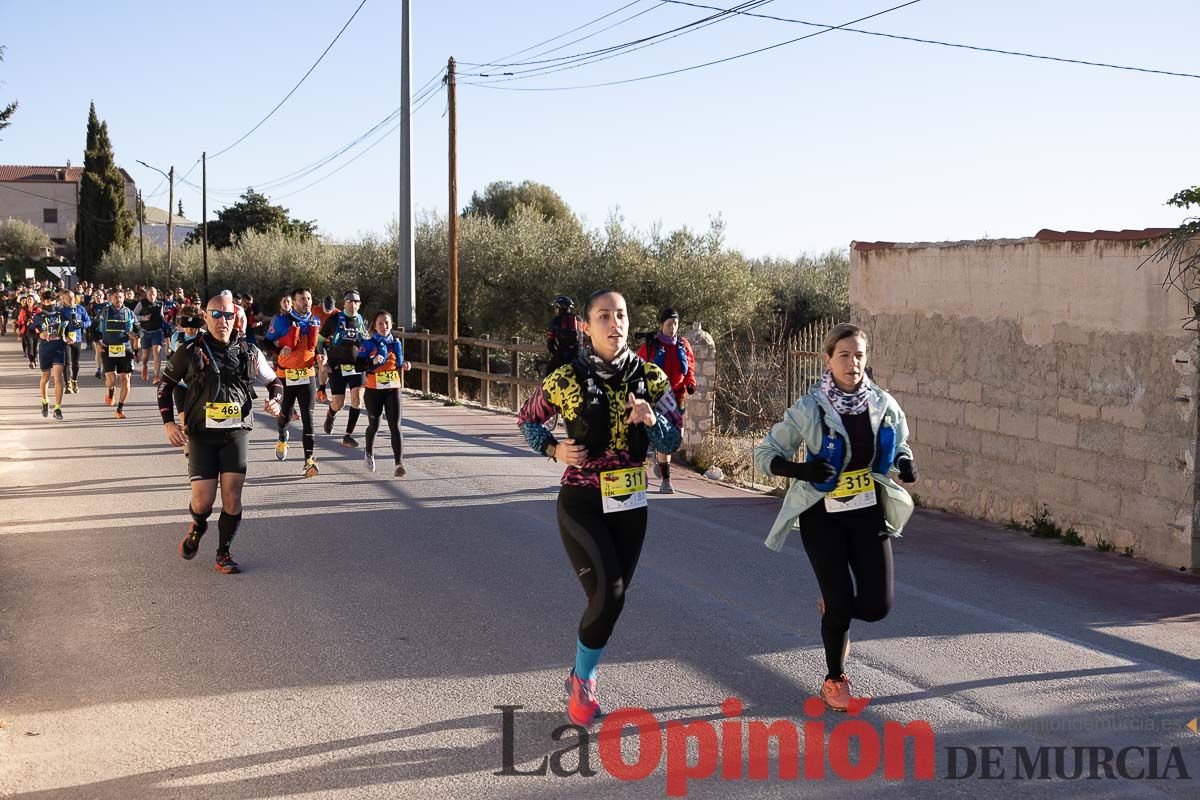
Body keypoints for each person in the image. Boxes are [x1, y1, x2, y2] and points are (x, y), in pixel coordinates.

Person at [517, 289, 682, 727]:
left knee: (614, 599)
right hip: (583, 502)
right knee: (607, 595)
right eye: (604, 316)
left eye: (621, 315)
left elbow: (672, 441)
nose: (615, 323)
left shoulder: (652, 379)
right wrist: (554, 449)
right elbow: (527, 419)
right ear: (587, 326)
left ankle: (578, 676)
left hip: (632, 502)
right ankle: (583, 681)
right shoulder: (566, 378)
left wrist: (651, 419)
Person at [753, 323, 918, 712]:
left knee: (878, 606)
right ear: (828, 360)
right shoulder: (810, 408)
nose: (853, 362)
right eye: (844, 355)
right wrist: (801, 471)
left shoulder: (882, 404)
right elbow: (765, 453)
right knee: (842, 599)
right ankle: (834, 678)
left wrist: (905, 462)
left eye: (859, 354)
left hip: (866, 512)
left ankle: (836, 608)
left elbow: (901, 442)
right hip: (821, 517)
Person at [158, 294, 284, 575]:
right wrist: (169, 423)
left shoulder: (249, 352)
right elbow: (165, 388)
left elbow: (275, 382)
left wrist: (275, 400)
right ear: (205, 317)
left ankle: (223, 552)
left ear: (235, 319)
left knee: (232, 496)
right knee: (203, 500)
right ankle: (198, 525)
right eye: (216, 315)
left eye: (227, 316)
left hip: (235, 433)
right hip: (201, 434)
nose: (222, 321)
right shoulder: (189, 351)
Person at [636, 307, 696, 494]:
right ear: (662, 325)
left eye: (676, 324)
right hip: (657, 396)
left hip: (677, 395)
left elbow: (690, 366)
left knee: (676, 438)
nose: (673, 328)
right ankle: (666, 480)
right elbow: (639, 368)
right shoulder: (651, 346)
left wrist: (690, 383)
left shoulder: (683, 344)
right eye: (669, 324)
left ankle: (660, 456)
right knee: (664, 437)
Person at [265, 287, 324, 478]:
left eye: (309, 298)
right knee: (285, 415)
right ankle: (282, 437)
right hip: (286, 376)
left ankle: (309, 461)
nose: (306, 302)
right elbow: (266, 342)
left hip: (307, 376)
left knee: (308, 418)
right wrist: (278, 351)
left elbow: (320, 346)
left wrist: (323, 357)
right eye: (302, 299)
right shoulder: (282, 321)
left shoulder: (315, 320)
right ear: (294, 302)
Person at [355, 310, 411, 476]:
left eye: (387, 323)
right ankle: (369, 452)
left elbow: (399, 364)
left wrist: (406, 365)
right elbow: (358, 366)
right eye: (380, 323)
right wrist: (372, 361)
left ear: (391, 325)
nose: (384, 326)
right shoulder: (368, 344)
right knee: (375, 425)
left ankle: (398, 464)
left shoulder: (395, 344)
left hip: (393, 389)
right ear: (375, 325)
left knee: (396, 426)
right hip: (373, 391)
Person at [319, 290, 368, 447]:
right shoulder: (333, 320)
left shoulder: (362, 321)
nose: (353, 304)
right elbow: (319, 342)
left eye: (356, 301)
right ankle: (331, 413)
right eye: (350, 301)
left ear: (359, 304)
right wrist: (323, 361)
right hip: (337, 366)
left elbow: (365, 343)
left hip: (357, 367)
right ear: (344, 303)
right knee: (338, 403)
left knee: (357, 399)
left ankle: (348, 435)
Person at [32, 290, 67, 419]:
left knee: (58, 378)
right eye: (47, 301)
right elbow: (29, 331)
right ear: (43, 302)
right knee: (45, 377)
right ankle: (45, 401)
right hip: (45, 349)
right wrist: (39, 334)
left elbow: (69, 327)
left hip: (59, 348)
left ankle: (57, 408)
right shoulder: (39, 316)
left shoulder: (61, 314)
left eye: (52, 300)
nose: (50, 303)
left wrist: (69, 337)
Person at [59, 288, 92, 395]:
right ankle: (67, 384)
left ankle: (74, 380)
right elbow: (57, 325)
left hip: (77, 339)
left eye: (73, 297)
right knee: (66, 362)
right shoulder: (61, 311)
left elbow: (88, 321)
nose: (71, 299)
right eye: (68, 297)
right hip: (65, 339)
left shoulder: (80, 309)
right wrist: (64, 335)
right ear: (63, 299)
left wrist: (81, 324)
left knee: (75, 363)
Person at [135, 286, 167, 382]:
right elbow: (134, 315)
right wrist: (143, 318)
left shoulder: (160, 304)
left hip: (157, 332)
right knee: (145, 354)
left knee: (156, 352)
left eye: (154, 294)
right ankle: (144, 367)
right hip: (145, 332)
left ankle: (156, 375)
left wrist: (164, 321)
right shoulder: (142, 303)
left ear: (156, 295)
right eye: (150, 294)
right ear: (147, 294)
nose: (152, 296)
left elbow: (162, 316)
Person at [545, 295, 582, 373]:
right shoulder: (578, 319)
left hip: (562, 354)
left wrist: (557, 355)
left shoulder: (555, 321)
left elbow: (550, 345)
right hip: (578, 355)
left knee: (548, 375)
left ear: (559, 307)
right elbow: (582, 338)